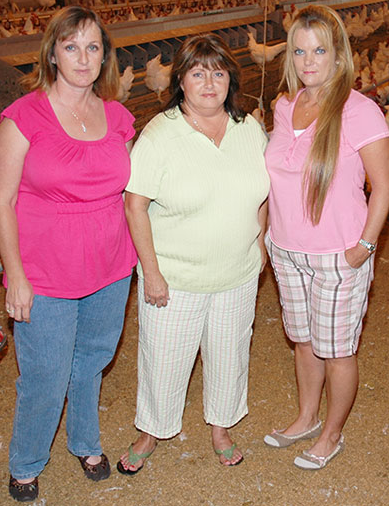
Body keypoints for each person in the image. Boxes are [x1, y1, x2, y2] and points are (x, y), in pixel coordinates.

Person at [0, 6, 137, 502]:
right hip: (46, 271)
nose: (83, 57)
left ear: (104, 58)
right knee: (45, 373)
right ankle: (27, 460)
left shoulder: (117, 117)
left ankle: (84, 440)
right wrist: (17, 276)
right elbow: (2, 201)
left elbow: (132, 192)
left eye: (93, 47)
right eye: (71, 46)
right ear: (52, 52)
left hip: (111, 265)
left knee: (93, 359)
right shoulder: (23, 117)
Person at [118, 33, 269, 472]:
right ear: (180, 80)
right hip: (176, 277)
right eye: (197, 72)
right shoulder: (161, 135)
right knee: (165, 358)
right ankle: (151, 431)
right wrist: (152, 271)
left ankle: (221, 428)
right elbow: (135, 204)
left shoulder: (249, 129)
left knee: (230, 353)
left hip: (237, 272)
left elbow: (264, 194)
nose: (209, 82)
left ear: (230, 80)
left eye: (218, 72)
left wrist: (260, 246)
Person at [262, 5, 389, 470]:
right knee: (303, 341)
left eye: (319, 50)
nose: (308, 60)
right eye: (299, 51)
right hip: (287, 251)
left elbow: (384, 187)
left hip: (340, 256)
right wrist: (269, 238)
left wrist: (366, 245)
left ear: (339, 54)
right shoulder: (284, 105)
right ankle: (306, 416)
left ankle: (332, 434)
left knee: (337, 350)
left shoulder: (360, 111)